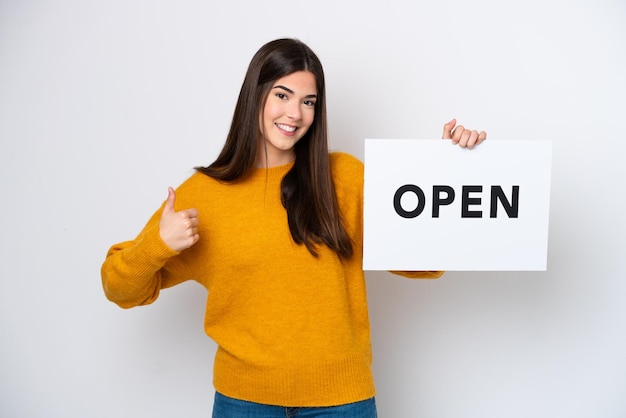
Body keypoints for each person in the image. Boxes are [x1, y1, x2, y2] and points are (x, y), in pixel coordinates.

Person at [101, 38, 486, 418]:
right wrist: (158, 244)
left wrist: (446, 174)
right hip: (243, 404)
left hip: (342, 403)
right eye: (282, 96)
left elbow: (423, 263)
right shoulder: (205, 195)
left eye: (308, 102)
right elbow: (119, 288)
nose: (296, 114)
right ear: (256, 96)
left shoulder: (344, 179)